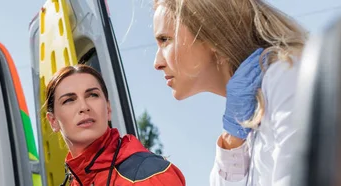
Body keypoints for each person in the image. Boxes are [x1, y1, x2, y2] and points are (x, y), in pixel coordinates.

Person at [151, 0, 307, 185]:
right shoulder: (243, 123)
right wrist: (232, 140)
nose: (157, 62)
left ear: (210, 32)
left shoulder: (285, 75)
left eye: (165, 40)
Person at [43, 64, 186, 186]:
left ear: (108, 108)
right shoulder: (76, 180)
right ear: (53, 121)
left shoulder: (149, 175)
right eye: (69, 100)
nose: (84, 106)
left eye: (92, 95)